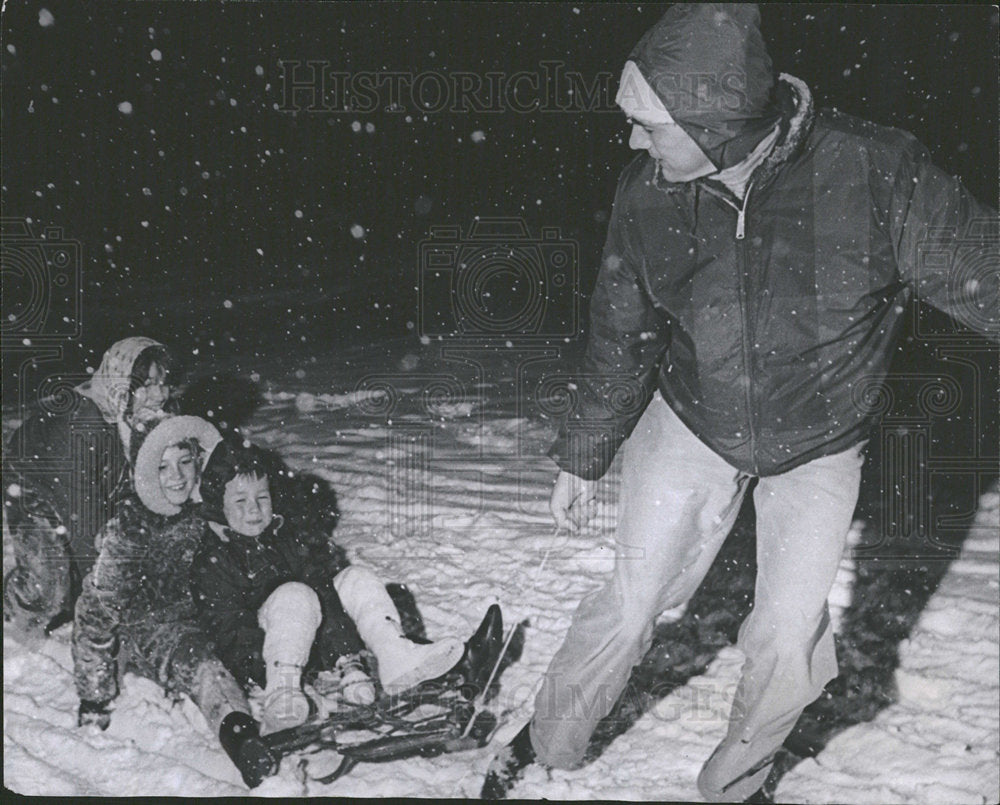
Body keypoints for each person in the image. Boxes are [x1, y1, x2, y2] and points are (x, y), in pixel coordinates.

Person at [483, 4, 997, 802]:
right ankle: (547, 737)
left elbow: (985, 274)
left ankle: (738, 780)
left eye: (650, 125)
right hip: (693, 416)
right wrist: (585, 454)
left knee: (788, 638)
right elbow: (621, 328)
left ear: (714, 121)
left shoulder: (873, 170)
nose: (632, 142)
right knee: (632, 599)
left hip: (821, 438)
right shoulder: (650, 195)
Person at [191, 437, 467, 735]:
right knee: (295, 595)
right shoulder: (214, 560)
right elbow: (230, 631)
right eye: (240, 501)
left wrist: (347, 660)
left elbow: (325, 595)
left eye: (262, 497)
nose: (254, 510)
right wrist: (262, 673)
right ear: (219, 506)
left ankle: (395, 657)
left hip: (315, 648)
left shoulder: (286, 539)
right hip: (266, 663)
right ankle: (283, 693)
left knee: (355, 578)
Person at [72, 415, 280, 789]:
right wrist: (94, 697)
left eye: (186, 462)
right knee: (205, 668)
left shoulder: (209, 508)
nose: (178, 476)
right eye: (163, 467)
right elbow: (96, 612)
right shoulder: (132, 528)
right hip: (159, 629)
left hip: (215, 609)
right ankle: (244, 740)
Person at [4, 336, 175, 636]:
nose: (158, 394)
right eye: (146, 384)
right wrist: (109, 603)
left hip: (98, 479)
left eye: (162, 383)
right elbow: (84, 524)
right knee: (50, 589)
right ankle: (13, 608)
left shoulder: (141, 412)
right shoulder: (81, 430)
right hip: (33, 483)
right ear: (123, 383)